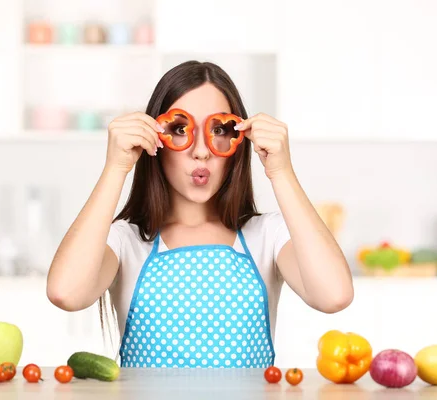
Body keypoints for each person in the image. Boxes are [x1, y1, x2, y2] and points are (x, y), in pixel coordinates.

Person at [46, 60, 353, 368]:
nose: (202, 151)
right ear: (155, 137)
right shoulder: (127, 240)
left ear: (239, 140)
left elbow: (334, 295)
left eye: (219, 130)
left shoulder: (267, 235)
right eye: (180, 129)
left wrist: (282, 171)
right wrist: (116, 168)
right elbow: (65, 293)